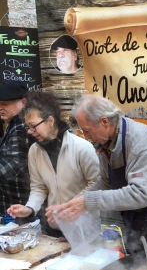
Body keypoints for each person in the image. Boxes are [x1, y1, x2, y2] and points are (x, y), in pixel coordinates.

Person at [46, 95, 147, 252]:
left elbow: (140, 194)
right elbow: (105, 182)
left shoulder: (140, 140)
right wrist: (72, 204)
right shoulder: (105, 144)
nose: (86, 137)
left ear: (104, 122)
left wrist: (88, 201)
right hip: (137, 218)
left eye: (87, 131)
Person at [7, 91, 100, 237]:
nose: (30, 132)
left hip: (85, 226)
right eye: (27, 127)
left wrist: (70, 206)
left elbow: (97, 183)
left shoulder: (81, 147)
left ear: (50, 121)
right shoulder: (34, 151)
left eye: (33, 126)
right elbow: (39, 187)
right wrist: (29, 208)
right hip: (55, 227)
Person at [0, 82, 34, 222]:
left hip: (23, 204)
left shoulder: (22, 126)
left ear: (23, 102)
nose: (0, 107)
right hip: (13, 204)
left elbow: (13, 163)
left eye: (5, 103)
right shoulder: (12, 123)